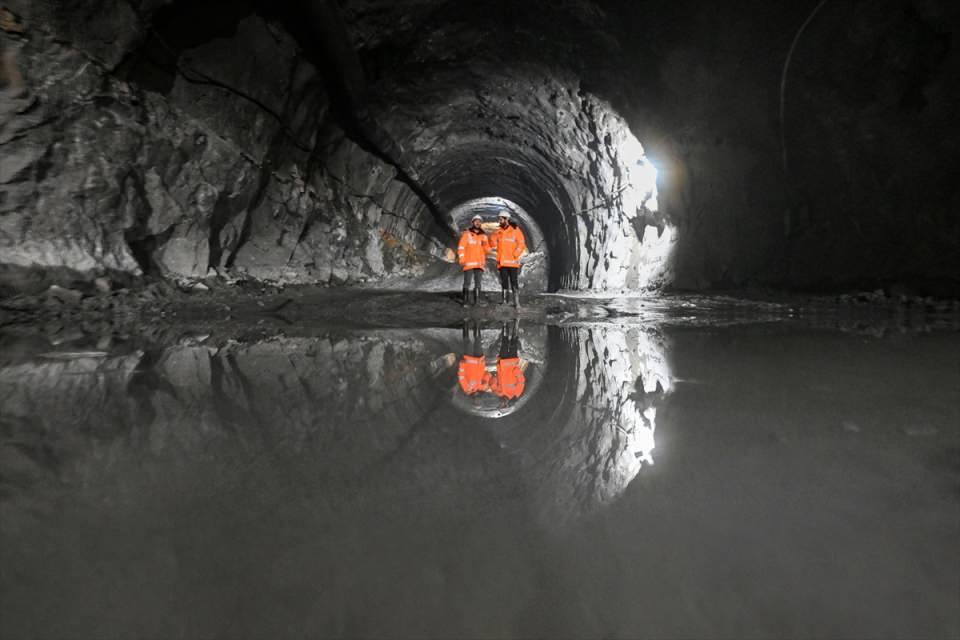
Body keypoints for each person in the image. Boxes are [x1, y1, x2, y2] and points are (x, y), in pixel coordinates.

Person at [491, 210, 527, 308]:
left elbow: (521, 244)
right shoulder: (498, 231)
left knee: (514, 281)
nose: (499, 221)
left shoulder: (515, 230)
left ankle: (516, 302)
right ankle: (504, 301)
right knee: (504, 281)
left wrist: (515, 254)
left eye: (501, 219)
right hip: (502, 262)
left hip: (512, 262)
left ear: (506, 219)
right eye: (499, 219)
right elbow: (492, 244)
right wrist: (494, 235)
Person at [489, 319, 526, 406]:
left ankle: (505, 323)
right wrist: (516, 372)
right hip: (512, 363)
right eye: (504, 404)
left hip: (502, 362)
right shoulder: (515, 393)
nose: (502, 402)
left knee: (504, 342)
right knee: (514, 342)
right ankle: (516, 323)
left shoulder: (498, 392)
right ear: (507, 403)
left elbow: (492, 382)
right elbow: (521, 381)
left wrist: (493, 381)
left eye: (500, 404)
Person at [457, 214, 490, 306]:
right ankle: (465, 301)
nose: (478, 222)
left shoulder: (483, 235)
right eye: (476, 221)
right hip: (469, 262)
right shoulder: (466, 234)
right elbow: (461, 247)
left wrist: (487, 244)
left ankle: (477, 301)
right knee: (467, 282)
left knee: (478, 282)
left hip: (479, 263)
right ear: (472, 222)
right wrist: (462, 258)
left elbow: (487, 249)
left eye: (479, 221)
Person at [458, 319, 490, 397]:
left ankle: (465, 322)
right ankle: (477, 323)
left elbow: (461, 377)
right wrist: (487, 381)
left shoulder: (467, 389)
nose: (477, 400)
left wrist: (462, 366)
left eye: (476, 402)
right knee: (478, 341)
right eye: (479, 402)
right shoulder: (482, 388)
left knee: (467, 342)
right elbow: (487, 374)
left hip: (469, 362)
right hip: (479, 361)